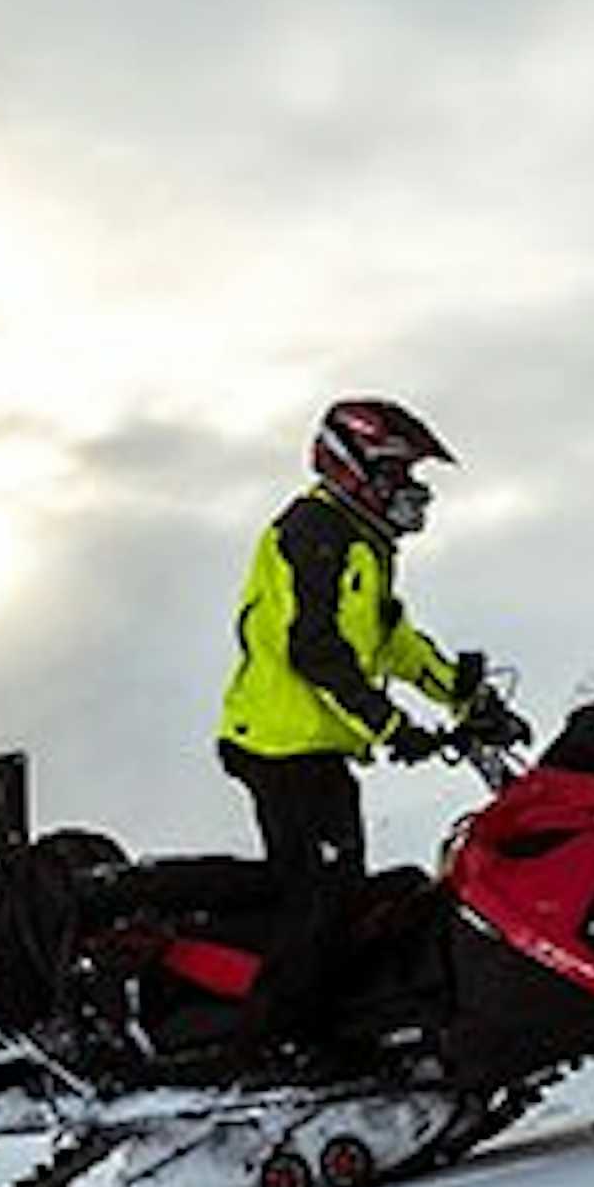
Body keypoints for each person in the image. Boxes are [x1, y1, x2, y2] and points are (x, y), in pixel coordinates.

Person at [214, 397, 486, 1059]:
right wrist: (391, 726)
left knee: (350, 889)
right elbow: (314, 650)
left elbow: (391, 641)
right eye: (398, 472)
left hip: (316, 747)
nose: (410, 489)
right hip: (279, 744)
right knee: (322, 895)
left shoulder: (363, 542)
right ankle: (275, 1047)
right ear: (354, 465)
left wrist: (462, 696)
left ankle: (337, 1022)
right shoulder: (314, 531)